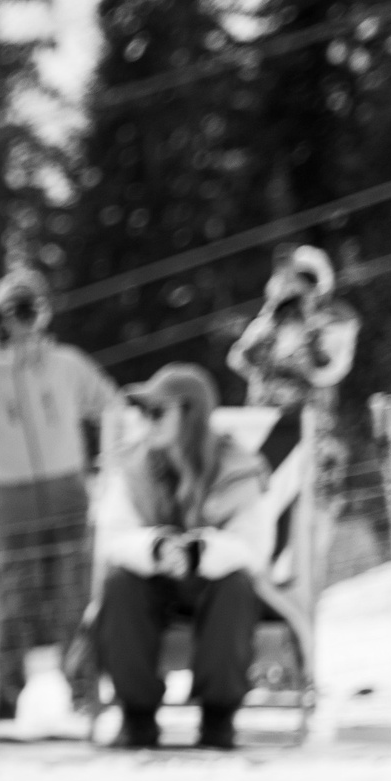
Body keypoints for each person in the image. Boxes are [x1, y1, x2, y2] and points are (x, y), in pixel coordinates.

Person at [0, 268, 120, 716]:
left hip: (68, 490)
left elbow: (113, 405)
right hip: (7, 495)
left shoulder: (69, 364)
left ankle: (85, 690)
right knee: (8, 600)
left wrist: (108, 469)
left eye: (32, 309)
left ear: (46, 312)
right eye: (15, 312)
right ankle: (2, 695)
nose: (24, 321)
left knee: (76, 595)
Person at [89, 363, 271, 750]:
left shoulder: (237, 467)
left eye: (158, 411)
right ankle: (137, 718)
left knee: (236, 585)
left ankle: (218, 718)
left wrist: (197, 552)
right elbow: (112, 536)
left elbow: (252, 547)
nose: (146, 421)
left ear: (191, 415)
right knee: (118, 583)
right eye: (142, 412)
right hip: (153, 581)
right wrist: (156, 548)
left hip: (211, 582)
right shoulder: (132, 466)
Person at [228, 244, 360, 412]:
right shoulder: (274, 319)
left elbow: (332, 371)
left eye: (307, 281)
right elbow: (238, 356)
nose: (300, 287)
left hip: (309, 414)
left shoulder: (336, 323)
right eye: (296, 279)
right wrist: (260, 376)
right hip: (266, 412)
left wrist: (308, 357)